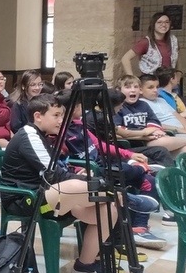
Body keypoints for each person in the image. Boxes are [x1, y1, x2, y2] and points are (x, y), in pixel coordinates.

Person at [0, 95, 117, 273]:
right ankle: (113, 193)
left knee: (108, 209)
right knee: (76, 186)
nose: (61, 120)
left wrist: (80, 175)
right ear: (38, 116)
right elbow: (53, 174)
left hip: (49, 197)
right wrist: (84, 181)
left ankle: (85, 264)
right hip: (26, 201)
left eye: (62, 115)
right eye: (56, 115)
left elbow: (59, 169)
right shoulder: (28, 135)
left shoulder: (44, 136)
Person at [61, 97, 165, 250]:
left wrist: (128, 154)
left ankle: (139, 228)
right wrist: (78, 170)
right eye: (79, 105)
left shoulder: (79, 124)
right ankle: (140, 172)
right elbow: (62, 162)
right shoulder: (59, 132)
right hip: (93, 171)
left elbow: (99, 145)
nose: (83, 107)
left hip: (103, 163)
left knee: (148, 180)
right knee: (127, 180)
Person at [114, 75, 186, 159]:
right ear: (118, 90)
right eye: (128, 87)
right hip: (134, 144)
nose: (133, 90)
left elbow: (154, 121)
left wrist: (154, 131)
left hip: (150, 139)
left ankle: (185, 170)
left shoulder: (143, 105)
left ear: (140, 90)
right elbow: (118, 130)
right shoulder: (117, 107)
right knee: (162, 142)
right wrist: (144, 133)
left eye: (136, 87)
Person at [121, 11, 178, 76]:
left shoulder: (173, 40)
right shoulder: (146, 42)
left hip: (170, 81)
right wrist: (131, 78)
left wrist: (179, 73)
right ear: (153, 25)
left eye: (167, 22)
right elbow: (125, 58)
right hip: (151, 81)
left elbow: (178, 58)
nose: (164, 25)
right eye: (159, 22)